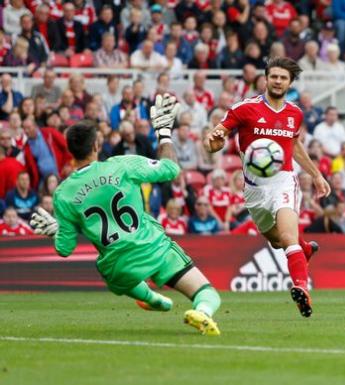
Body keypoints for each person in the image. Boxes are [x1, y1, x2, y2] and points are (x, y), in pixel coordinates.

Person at [29, 96, 221, 335]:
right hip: (152, 248)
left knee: (124, 279)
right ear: (97, 145)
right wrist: (163, 133)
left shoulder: (62, 194)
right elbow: (170, 169)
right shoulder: (121, 165)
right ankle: (202, 312)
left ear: (70, 150)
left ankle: (154, 300)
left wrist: (56, 232)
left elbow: (65, 249)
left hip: (116, 266)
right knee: (206, 292)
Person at [203, 57, 331, 318]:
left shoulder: (295, 113)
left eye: (283, 78)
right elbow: (214, 141)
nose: (278, 81)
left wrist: (316, 174)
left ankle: (301, 288)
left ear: (290, 82)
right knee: (277, 241)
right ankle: (305, 250)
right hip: (253, 189)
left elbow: (294, 146)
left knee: (287, 237)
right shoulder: (244, 109)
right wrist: (212, 141)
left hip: (283, 180)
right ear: (266, 78)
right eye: (274, 76)